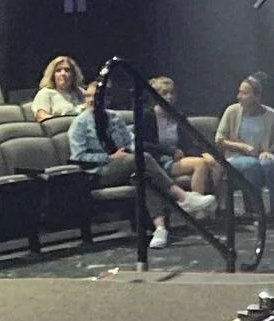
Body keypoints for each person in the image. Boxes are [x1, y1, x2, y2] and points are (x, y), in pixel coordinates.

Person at [68, 82, 217, 248]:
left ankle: (160, 230)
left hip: (124, 165)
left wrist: (133, 150)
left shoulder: (114, 118)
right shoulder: (80, 123)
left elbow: (130, 141)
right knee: (143, 158)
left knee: (144, 176)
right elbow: (78, 157)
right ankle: (183, 197)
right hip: (98, 171)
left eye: (97, 96)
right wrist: (108, 157)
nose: (92, 100)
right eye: (89, 96)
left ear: (107, 99)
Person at [215, 72, 274, 221]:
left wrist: (268, 152)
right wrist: (242, 147)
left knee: (269, 164)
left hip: (260, 156)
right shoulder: (232, 111)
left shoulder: (271, 115)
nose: (239, 96)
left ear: (257, 96)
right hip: (236, 157)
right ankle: (256, 209)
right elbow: (219, 139)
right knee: (252, 164)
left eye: (244, 93)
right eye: (239, 92)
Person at [142, 76, 220, 197]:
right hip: (158, 161)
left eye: (172, 93)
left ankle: (218, 207)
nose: (170, 97)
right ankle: (195, 205)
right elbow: (142, 144)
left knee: (214, 163)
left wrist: (204, 153)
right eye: (164, 93)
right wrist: (170, 151)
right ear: (155, 96)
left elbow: (189, 142)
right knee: (200, 164)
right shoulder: (148, 116)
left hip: (178, 159)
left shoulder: (178, 116)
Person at [32, 56, 85, 122]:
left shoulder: (81, 92)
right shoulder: (45, 93)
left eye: (67, 70)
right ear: (52, 75)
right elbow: (41, 118)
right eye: (58, 70)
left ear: (74, 74)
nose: (63, 74)